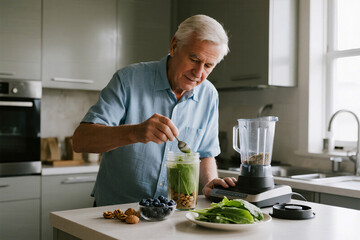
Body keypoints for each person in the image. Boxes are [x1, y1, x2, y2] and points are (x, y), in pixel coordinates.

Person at [73, 14, 237, 206]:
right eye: (194, 59)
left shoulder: (209, 94)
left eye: (208, 65)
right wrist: (134, 132)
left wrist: (210, 183)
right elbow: (81, 141)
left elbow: (205, 153)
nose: (199, 73)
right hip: (118, 210)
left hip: (173, 213)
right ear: (174, 46)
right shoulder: (128, 80)